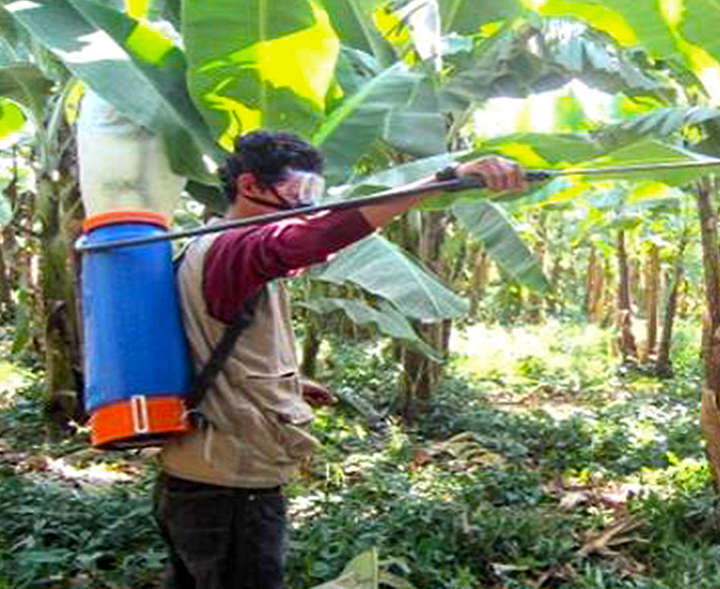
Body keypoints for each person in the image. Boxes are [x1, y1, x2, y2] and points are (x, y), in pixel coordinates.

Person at [153, 130, 526, 589]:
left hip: (197, 476)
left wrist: (287, 382)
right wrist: (445, 180)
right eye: (299, 192)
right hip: (229, 486)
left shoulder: (212, 246)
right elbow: (318, 236)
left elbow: (211, 341)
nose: (307, 204)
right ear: (250, 186)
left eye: (315, 193)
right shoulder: (236, 247)